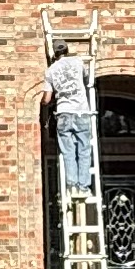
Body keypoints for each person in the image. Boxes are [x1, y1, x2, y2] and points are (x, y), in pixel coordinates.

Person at [45, 40, 98, 202]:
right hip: (81, 112)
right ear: (67, 50)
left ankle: (72, 186)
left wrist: (45, 103)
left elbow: (47, 99)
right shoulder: (77, 62)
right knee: (83, 151)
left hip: (63, 114)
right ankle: (83, 187)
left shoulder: (50, 71)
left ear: (54, 53)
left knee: (68, 152)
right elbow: (87, 78)